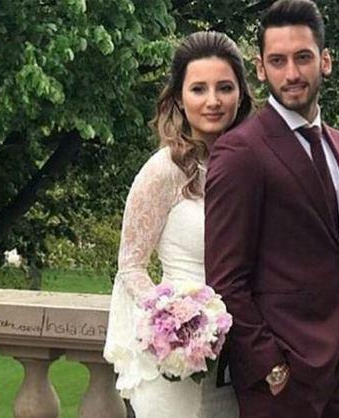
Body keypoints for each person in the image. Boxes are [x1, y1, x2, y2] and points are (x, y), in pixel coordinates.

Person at [205, 1, 339, 417]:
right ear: (260, 68)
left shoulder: (337, 142)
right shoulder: (240, 151)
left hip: (338, 370)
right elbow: (226, 279)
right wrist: (270, 366)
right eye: (277, 61)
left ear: (325, 61)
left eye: (303, 58)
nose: (291, 73)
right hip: (280, 382)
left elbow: (314, 244)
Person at [103, 31, 253, 418]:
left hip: (242, 364)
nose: (213, 101)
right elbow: (131, 265)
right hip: (180, 362)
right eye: (199, 89)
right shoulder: (164, 171)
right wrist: (174, 319)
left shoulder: (254, 169)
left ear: (241, 95)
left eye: (224, 87)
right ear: (179, 99)